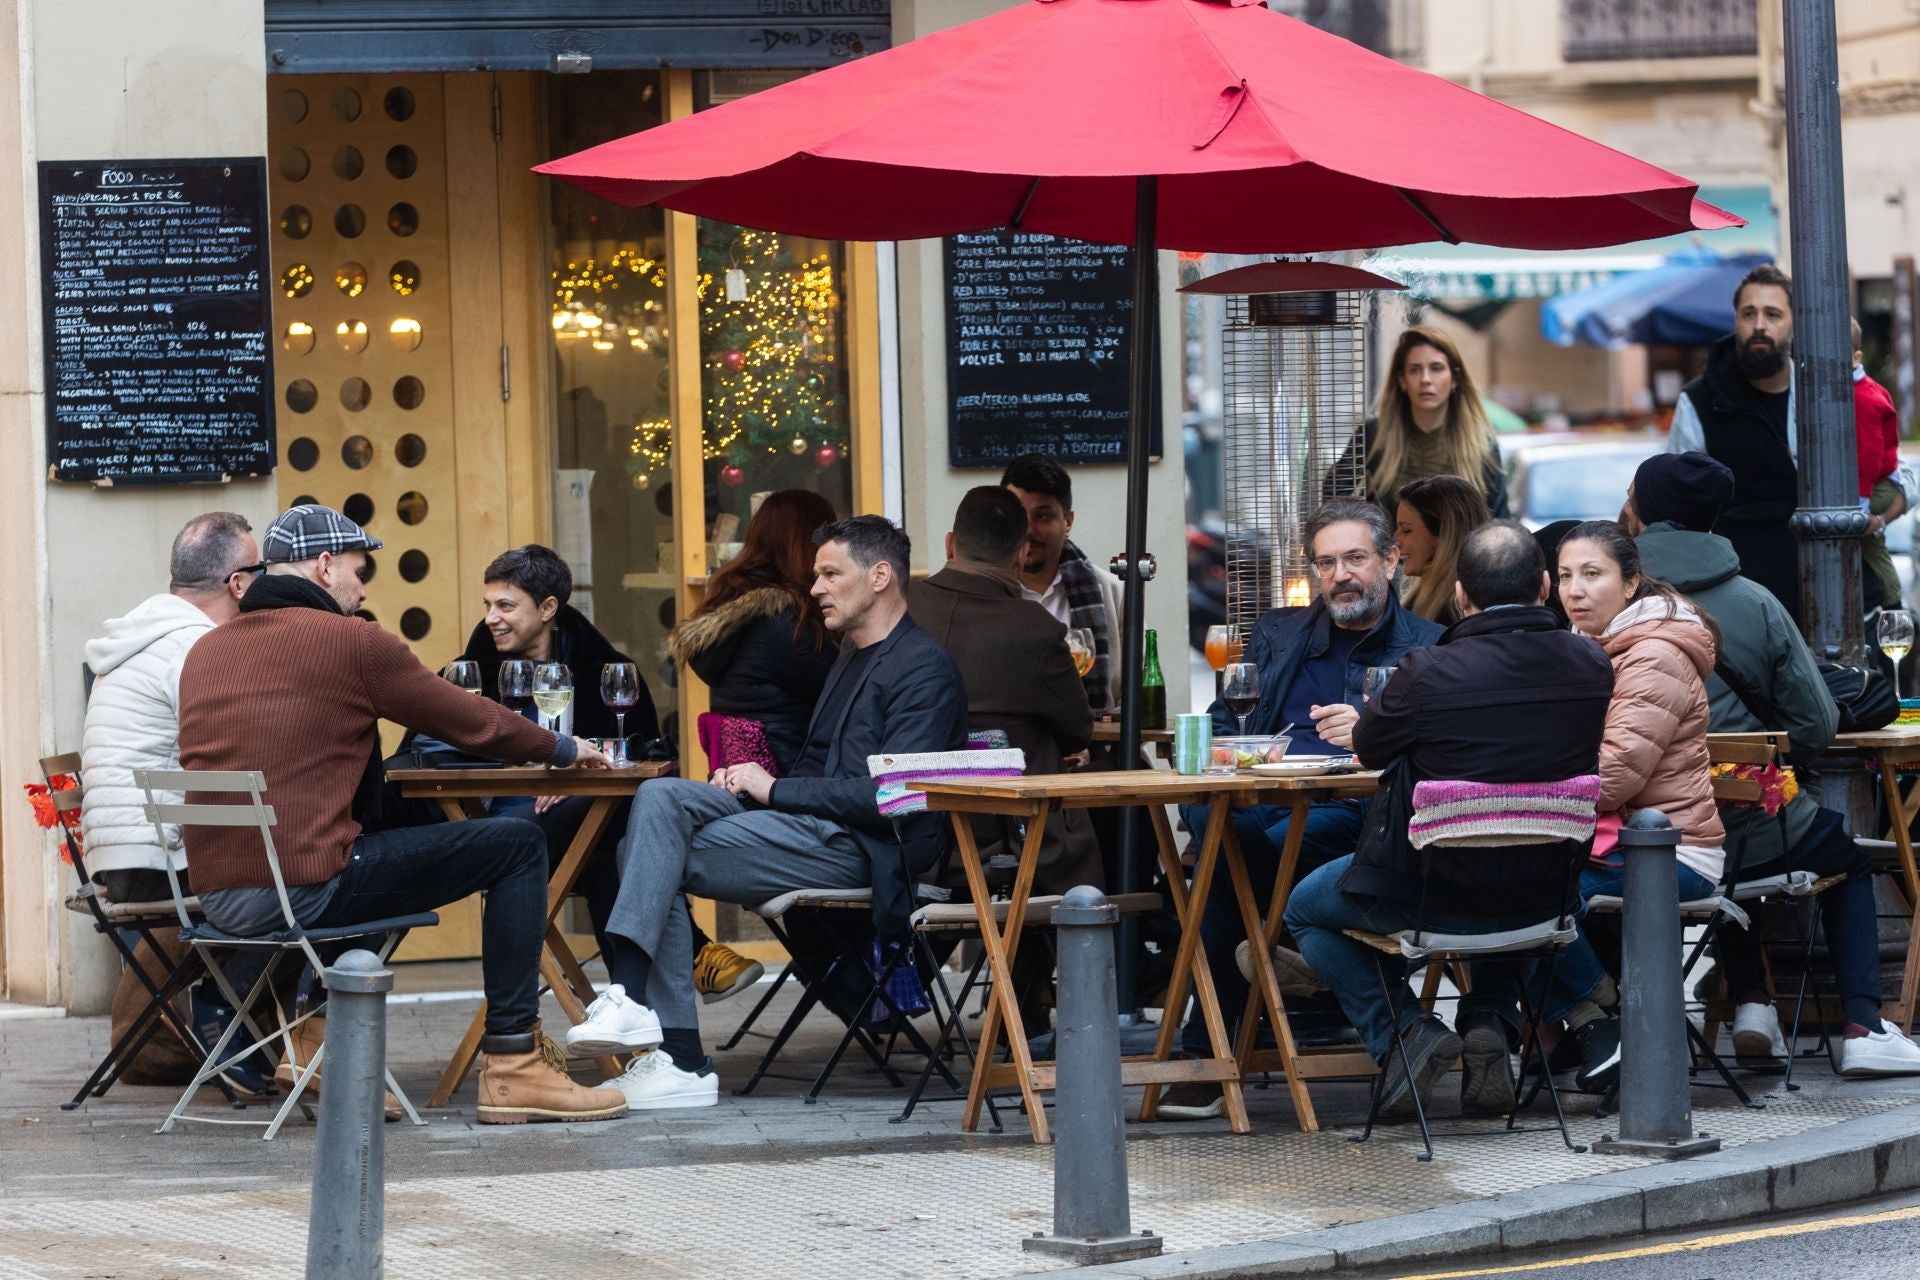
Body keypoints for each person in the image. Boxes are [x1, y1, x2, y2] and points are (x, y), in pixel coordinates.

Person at [177, 504, 628, 1125]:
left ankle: (314, 1039)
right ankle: (513, 1064)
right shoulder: (351, 641)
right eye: (361, 572)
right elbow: (468, 719)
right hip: (305, 888)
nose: (363, 589)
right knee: (518, 842)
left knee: (383, 844)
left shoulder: (208, 651)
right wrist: (563, 746)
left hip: (221, 901)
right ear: (325, 565)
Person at [572, 516, 967, 1111]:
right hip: (807, 826)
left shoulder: (923, 668)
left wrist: (772, 789)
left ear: (881, 576)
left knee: (645, 852)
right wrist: (745, 787)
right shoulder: (849, 658)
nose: (815, 589)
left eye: (831, 574)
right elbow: (814, 773)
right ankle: (639, 1012)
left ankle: (676, 1053)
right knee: (658, 799)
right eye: (816, 575)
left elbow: (895, 798)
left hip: (866, 848)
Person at [1284, 522, 1614, 1118]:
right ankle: (1487, 1018)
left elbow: (1372, 748)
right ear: (1544, 586)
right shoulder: (1591, 663)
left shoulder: (1427, 670)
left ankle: (1406, 1032)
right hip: (1547, 893)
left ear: (1461, 595)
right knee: (1502, 868)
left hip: (1431, 894)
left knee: (1304, 907)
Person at [1624, 452, 1920, 1074]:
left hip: (1637, 832)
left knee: (1728, 835)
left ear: (1642, 517)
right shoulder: (1755, 602)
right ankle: (1863, 1024)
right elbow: (1814, 726)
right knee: (1838, 852)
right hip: (1749, 828)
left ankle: (1755, 1000)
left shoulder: (1610, 607)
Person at [1158, 497, 1444, 1120]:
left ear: (1391, 561)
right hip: (1270, 800)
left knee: (1226, 858)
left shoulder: (1430, 647)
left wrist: (1374, 728)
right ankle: (1273, 961)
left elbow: (1441, 754)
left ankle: (1211, 1048)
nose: (1341, 575)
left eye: (1356, 559)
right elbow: (1225, 720)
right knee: (1216, 823)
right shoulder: (1278, 634)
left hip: (1365, 816)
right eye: (1326, 563)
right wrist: (1231, 749)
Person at [1549, 519, 1726, 1089]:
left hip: (1673, 853)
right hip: (1610, 845)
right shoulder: (1587, 649)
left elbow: (1612, 781)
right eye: (1564, 576)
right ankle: (1597, 1020)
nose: (1574, 590)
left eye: (1592, 575)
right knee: (1487, 877)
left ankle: (1603, 1015)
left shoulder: (1653, 653)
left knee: (1521, 894)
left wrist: (1528, 784)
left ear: (1630, 585)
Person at [908, 486, 1097, 893]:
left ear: (950, 545)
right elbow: (1078, 732)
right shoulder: (1037, 630)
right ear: (1019, 555)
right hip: (1009, 843)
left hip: (906, 832)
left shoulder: (896, 609)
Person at [81, 512, 259, 907]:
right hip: (159, 866)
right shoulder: (195, 647)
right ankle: (253, 973)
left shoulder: (141, 635)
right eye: (258, 571)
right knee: (314, 876)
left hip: (116, 861)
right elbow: (236, 751)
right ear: (239, 583)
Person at [667, 489, 839, 775]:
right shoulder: (785, 624)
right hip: (789, 784)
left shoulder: (733, 609)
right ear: (808, 544)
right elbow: (847, 695)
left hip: (741, 779)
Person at [1329, 326, 1509, 518]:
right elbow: (1334, 497)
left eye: (1436, 368)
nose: (1425, 379)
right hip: (1394, 547)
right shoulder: (1375, 435)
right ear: (1402, 380)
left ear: (1455, 378)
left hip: (1462, 548)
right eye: (1415, 370)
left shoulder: (1481, 443)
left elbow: (1499, 520)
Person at [1000, 453, 1125, 716]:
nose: (1029, 529)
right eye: (1019, 515)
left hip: (1097, 748)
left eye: (1043, 516)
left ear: (1067, 523)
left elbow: (1134, 697)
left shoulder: (1114, 593)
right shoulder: (983, 594)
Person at [1854, 317, 1908, 610]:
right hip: (1881, 482)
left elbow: (1870, 454)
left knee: (1872, 548)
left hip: (1875, 486)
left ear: (1856, 356)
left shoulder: (1862, 396)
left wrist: (1862, 503)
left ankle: (1893, 606)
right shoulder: (1870, 389)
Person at [1394, 475, 1492, 624]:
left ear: (1445, 535)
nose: (1396, 540)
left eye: (1406, 530)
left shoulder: (1453, 614)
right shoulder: (1427, 599)